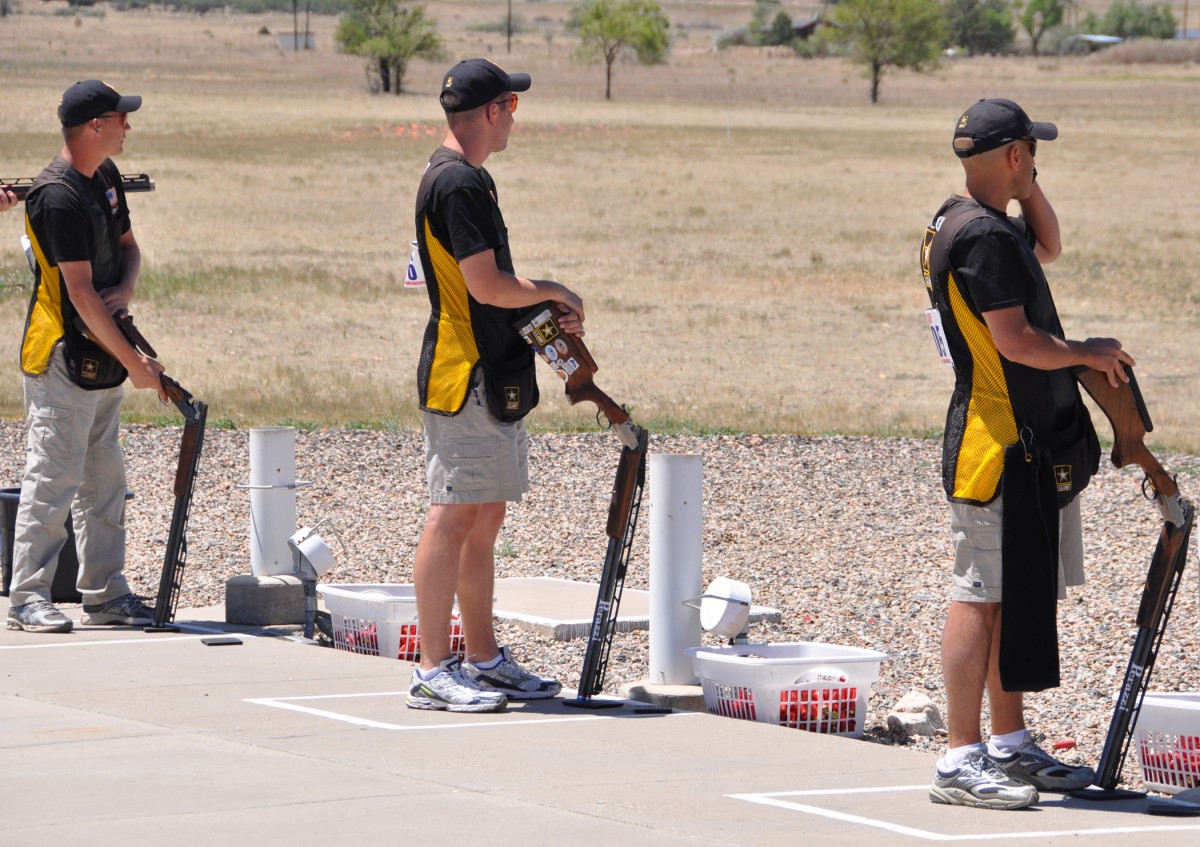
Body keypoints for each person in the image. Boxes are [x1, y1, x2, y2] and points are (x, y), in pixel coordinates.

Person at [920, 98, 1136, 809]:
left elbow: (1049, 245)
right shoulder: (982, 238)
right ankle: (959, 756)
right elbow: (1015, 342)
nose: (1036, 162)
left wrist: (1023, 180)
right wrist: (1086, 353)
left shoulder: (974, 225)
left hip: (1017, 441)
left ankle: (1008, 746)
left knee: (1009, 593)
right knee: (978, 598)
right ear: (1012, 154)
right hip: (994, 443)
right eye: (1029, 153)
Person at [407, 58, 585, 713]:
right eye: (511, 104)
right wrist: (555, 291)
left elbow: (490, 288)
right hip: (464, 372)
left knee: (485, 514)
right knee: (452, 517)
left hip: (491, 365)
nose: (516, 115)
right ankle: (431, 666)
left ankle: (481, 657)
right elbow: (484, 285)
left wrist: (540, 312)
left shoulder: (470, 180)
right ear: (490, 112)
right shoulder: (456, 183)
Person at [6, 80, 167, 634]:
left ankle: (103, 592)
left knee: (103, 476)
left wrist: (125, 289)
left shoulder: (104, 176)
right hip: (60, 355)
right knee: (53, 475)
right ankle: (27, 595)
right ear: (94, 126)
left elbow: (128, 250)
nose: (129, 125)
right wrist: (137, 362)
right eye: (121, 117)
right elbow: (77, 295)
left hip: (100, 350)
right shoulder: (56, 196)